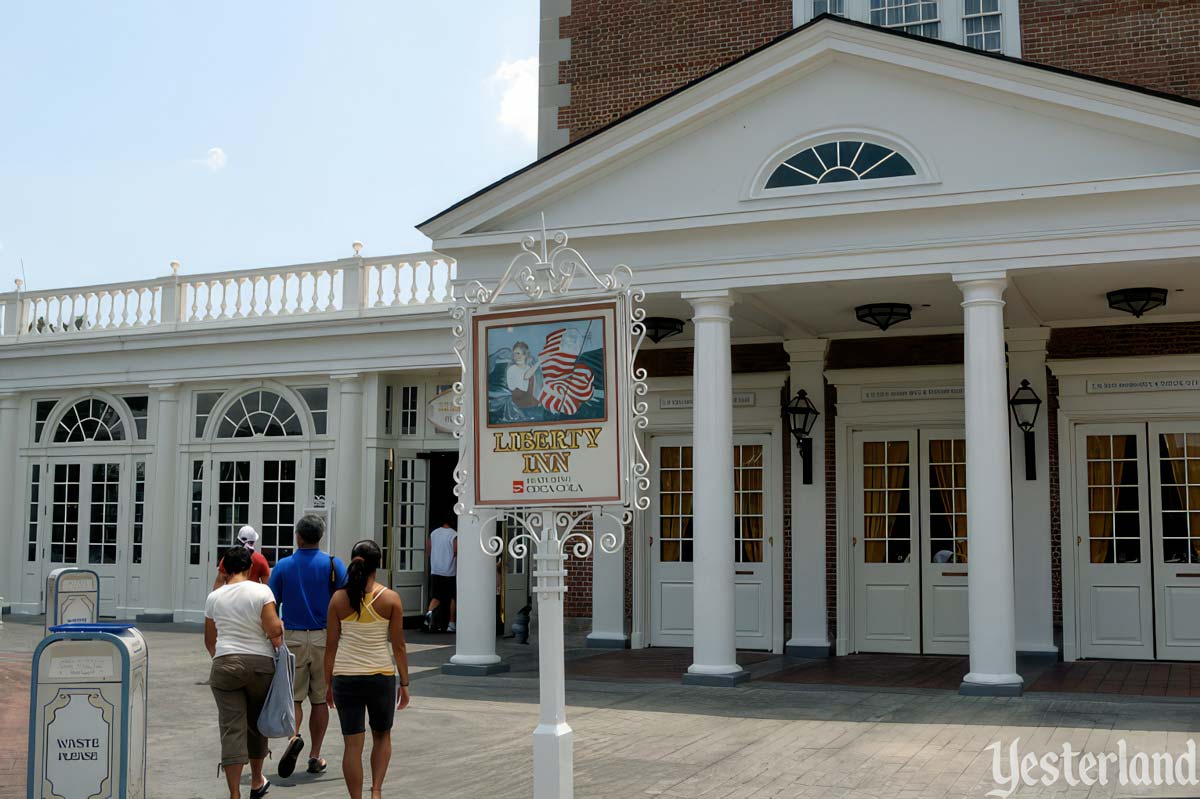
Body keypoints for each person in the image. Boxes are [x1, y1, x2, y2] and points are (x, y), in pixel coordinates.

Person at [325, 540, 410, 799]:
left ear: (352, 560)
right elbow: (399, 646)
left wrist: (328, 684)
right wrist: (404, 683)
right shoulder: (391, 599)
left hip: (345, 677)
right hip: (380, 676)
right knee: (382, 736)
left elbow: (330, 647)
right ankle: (376, 791)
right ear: (379, 565)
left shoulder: (338, 598)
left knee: (352, 744)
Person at [267, 513, 347, 778]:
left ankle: (293, 738)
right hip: (325, 636)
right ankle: (315, 755)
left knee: (295, 697)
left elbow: (271, 604)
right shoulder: (334, 565)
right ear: (320, 537)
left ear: (298, 536)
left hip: (293, 636)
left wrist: (275, 636)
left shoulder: (283, 566)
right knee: (321, 699)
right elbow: (346, 599)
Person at [204, 545, 283, 799]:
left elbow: (210, 640)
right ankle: (257, 781)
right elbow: (275, 632)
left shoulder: (214, 597)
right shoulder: (261, 591)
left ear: (224, 568)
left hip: (226, 663)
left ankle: (234, 793)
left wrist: (224, 658)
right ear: (250, 568)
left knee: (231, 728)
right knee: (257, 724)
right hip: (260, 664)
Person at [423, 520, 458, 633]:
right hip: (450, 571)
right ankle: (451, 623)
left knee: (436, 597)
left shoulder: (433, 533)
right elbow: (456, 551)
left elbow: (428, 550)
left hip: (435, 569)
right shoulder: (454, 534)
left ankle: (428, 620)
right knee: (453, 597)